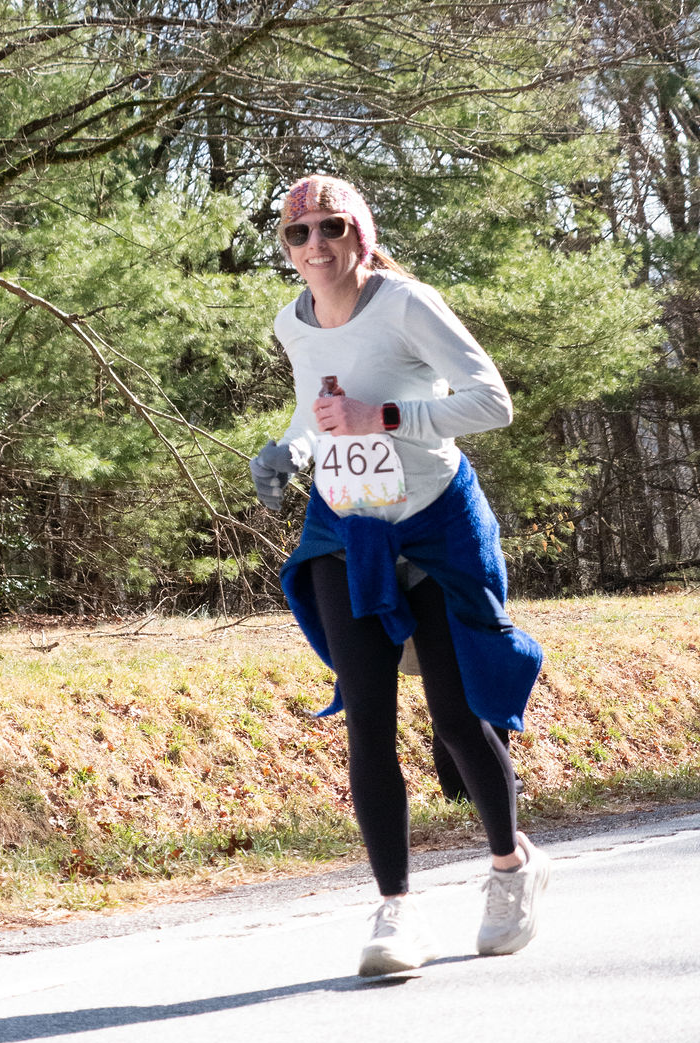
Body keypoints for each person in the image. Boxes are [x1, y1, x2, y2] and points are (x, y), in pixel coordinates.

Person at [249, 173, 550, 977]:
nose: (315, 244)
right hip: (347, 528)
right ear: (287, 248)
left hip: (435, 524)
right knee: (368, 721)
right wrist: (289, 453)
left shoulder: (409, 305)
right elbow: (315, 411)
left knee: (456, 717)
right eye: (298, 233)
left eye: (332, 227)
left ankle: (511, 867)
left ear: (362, 235)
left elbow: (490, 403)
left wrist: (385, 418)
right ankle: (395, 910)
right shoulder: (293, 322)